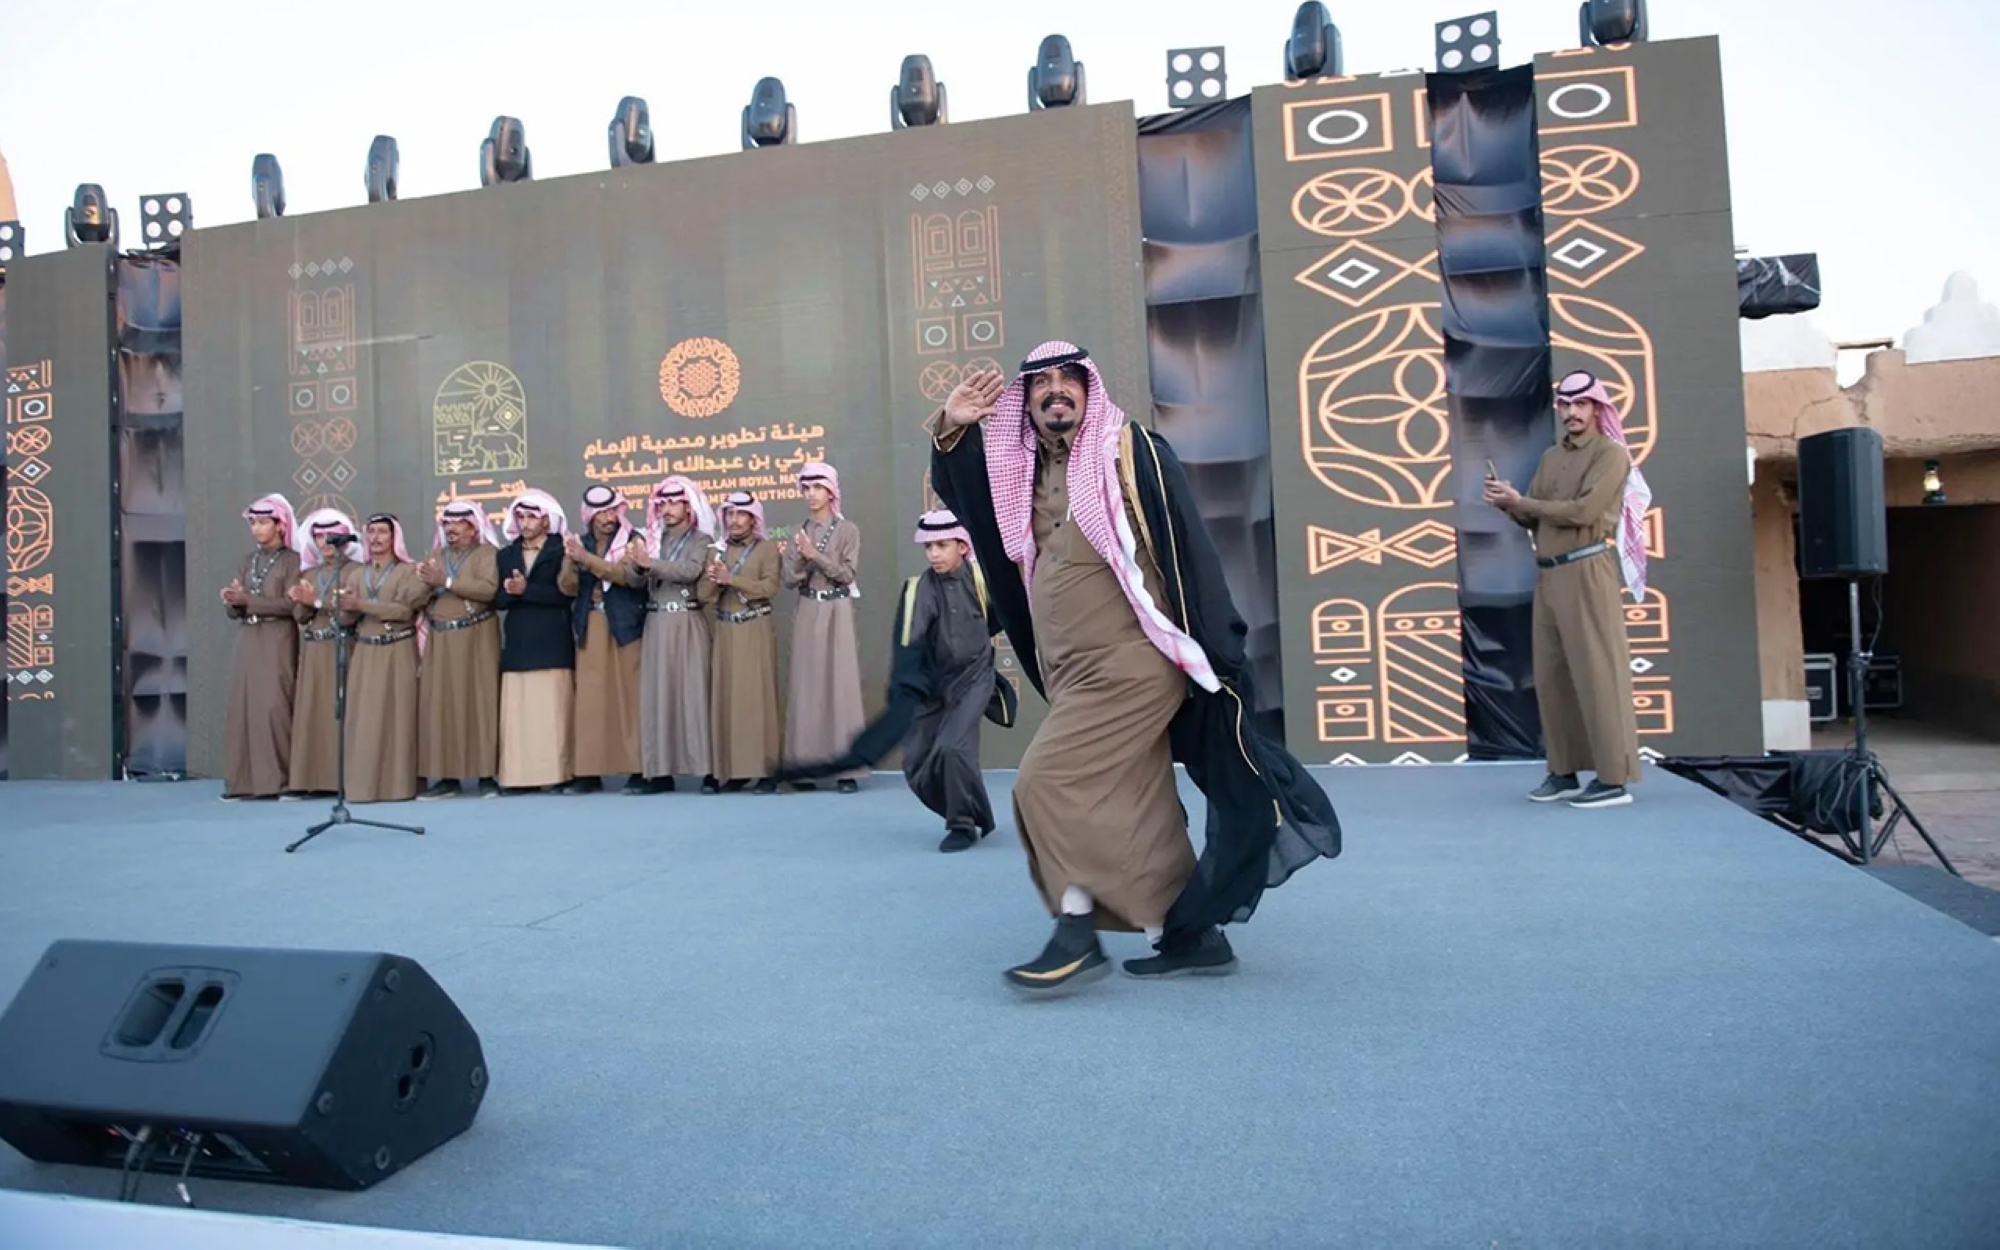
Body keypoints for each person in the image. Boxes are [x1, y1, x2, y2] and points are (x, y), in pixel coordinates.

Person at [928, 340, 1342, 996]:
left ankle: (1075, 929)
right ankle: (1188, 933)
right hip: (1068, 671)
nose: (1055, 390)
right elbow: (969, 496)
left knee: (1043, 783)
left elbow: (1189, 548)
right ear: (1026, 400)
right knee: (1140, 805)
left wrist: (1218, 646)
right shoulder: (1021, 473)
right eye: (1041, 383)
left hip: (1134, 663)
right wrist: (952, 427)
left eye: (1069, 379)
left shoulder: (1129, 452)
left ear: (1090, 390)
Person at [776, 508, 1014, 851]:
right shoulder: (918, 590)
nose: (933, 554)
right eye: (928, 547)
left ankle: (961, 824)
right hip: (932, 685)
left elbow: (1000, 617)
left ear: (962, 547)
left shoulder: (982, 580)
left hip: (973, 680)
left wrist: (975, 650)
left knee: (953, 748)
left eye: (942, 545)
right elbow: (909, 646)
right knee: (916, 760)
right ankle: (976, 813)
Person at [1483, 368, 1649, 808]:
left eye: (1580, 404)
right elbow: (1533, 516)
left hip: (1587, 570)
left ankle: (1613, 780)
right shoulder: (1551, 458)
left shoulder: (1611, 454)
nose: (1572, 412)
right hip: (1549, 573)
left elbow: (1584, 510)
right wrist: (1508, 502)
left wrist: (1524, 502)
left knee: (1599, 673)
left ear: (1597, 408)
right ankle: (1564, 771)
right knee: (1554, 677)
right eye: (1566, 405)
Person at [780, 461, 868, 793]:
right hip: (808, 608)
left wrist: (814, 555)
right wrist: (803, 556)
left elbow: (846, 574)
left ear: (831, 492)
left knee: (840, 685)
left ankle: (847, 769)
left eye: (817, 487)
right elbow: (789, 579)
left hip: (837, 608)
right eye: (806, 488)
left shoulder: (848, 531)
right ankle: (805, 767)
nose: (811, 494)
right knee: (807, 686)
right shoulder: (798, 533)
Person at [627, 477, 717, 793]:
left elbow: (690, 571)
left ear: (688, 506)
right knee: (658, 697)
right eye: (661, 504)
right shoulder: (650, 538)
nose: (666, 509)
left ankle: (708, 769)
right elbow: (633, 579)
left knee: (695, 694)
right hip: (657, 623)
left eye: (673, 503)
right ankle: (660, 772)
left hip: (687, 621)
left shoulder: (701, 540)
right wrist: (638, 567)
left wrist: (650, 564)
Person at [336, 513, 428, 803]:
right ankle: (363, 787)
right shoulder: (353, 574)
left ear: (394, 537)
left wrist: (361, 604)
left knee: (399, 718)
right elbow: (345, 618)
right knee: (364, 719)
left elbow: (403, 611)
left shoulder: (410, 571)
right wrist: (342, 607)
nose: (375, 538)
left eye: (382, 532)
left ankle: (399, 787)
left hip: (398, 649)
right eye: (371, 532)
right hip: (365, 650)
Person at [562, 485, 647, 793]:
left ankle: (638, 769)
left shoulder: (632, 539)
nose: (609, 518)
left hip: (625, 624)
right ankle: (588, 771)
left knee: (630, 697)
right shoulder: (579, 543)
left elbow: (627, 576)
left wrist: (587, 559)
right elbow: (567, 587)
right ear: (590, 516)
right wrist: (571, 561)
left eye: (613, 511)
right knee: (591, 699)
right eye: (602, 513)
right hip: (592, 622)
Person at [416, 500, 503, 800]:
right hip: (442, 639)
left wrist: (446, 581)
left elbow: (488, 590)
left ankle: (485, 776)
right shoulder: (437, 556)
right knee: (442, 707)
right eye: (447, 524)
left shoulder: (487, 554)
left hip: (476, 635)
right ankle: (448, 777)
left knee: (479, 704)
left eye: (459, 523)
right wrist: (423, 585)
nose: (451, 529)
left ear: (474, 527)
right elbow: (420, 595)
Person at [219, 493, 303, 800]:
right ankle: (243, 783)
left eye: (263, 522)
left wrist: (248, 601)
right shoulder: (247, 560)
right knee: (242, 709)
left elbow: (291, 605)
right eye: (253, 522)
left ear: (280, 525)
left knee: (273, 709)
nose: (256, 528)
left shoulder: (293, 561)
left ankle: (279, 782)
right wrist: (232, 600)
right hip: (248, 639)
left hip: (278, 638)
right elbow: (237, 608)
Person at [492, 490, 577, 794]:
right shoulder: (506, 555)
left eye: (531, 517)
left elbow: (565, 595)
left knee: (551, 715)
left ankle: (555, 775)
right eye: (521, 517)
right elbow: (500, 600)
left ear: (546, 519)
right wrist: (512, 591)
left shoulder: (562, 551)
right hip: (518, 642)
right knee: (518, 716)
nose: (525, 523)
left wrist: (525, 590)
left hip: (552, 639)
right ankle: (517, 778)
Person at [705, 491, 783, 794]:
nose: (734, 520)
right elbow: (705, 597)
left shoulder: (767, 550)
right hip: (725, 627)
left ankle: (765, 771)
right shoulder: (718, 550)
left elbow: (769, 587)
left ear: (754, 518)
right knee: (728, 700)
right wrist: (711, 580)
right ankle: (734, 771)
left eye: (741, 514)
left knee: (757, 700)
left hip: (754, 625)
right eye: (730, 514)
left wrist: (731, 580)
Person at [286, 509, 357, 797]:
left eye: (331, 537)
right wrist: (300, 601)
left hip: (341, 647)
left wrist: (314, 600)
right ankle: (314, 780)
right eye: (318, 536)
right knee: (312, 713)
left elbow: (351, 613)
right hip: (313, 648)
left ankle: (339, 780)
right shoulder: (310, 573)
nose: (325, 542)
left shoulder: (356, 571)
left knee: (338, 712)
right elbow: (301, 617)